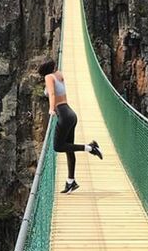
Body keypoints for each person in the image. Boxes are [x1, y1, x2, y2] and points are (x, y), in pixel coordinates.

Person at [39, 60, 102, 193]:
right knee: (69, 149)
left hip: (63, 115)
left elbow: (52, 94)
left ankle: (91, 148)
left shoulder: (48, 77)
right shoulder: (59, 74)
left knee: (58, 147)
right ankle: (70, 182)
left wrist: (51, 109)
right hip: (70, 113)